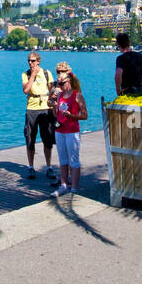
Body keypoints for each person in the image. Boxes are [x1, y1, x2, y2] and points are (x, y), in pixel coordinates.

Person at [49, 62, 88, 194]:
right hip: (60, 131)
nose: (59, 86)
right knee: (63, 160)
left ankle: (74, 188)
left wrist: (71, 116)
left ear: (68, 81)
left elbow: (84, 115)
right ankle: (63, 185)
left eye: (61, 84)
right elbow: (56, 114)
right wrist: (54, 105)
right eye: (58, 84)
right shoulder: (59, 96)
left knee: (73, 160)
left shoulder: (77, 95)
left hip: (72, 131)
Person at [21, 52, 56, 181]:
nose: (30, 63)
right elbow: (26, 90)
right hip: (32, 108)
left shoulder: (47, 73)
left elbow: (52, 89)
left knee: (47, 138)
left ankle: (48, 166)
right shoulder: (26, 74)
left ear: (38, 61)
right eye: (29, 61)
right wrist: (33, 75)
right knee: (30, 138)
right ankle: (31, 166)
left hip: (46, 108)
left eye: (33, 60)